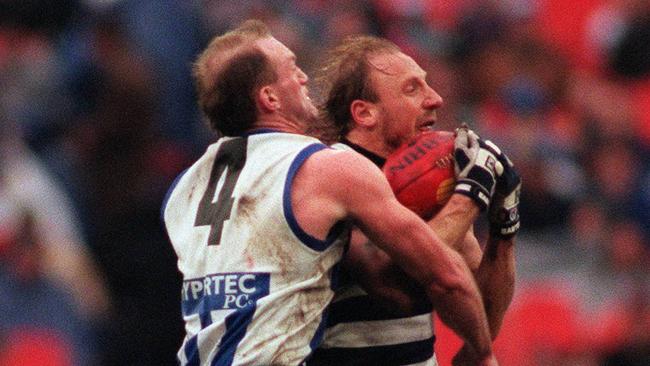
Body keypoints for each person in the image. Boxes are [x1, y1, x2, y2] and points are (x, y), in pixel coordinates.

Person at [162, 20, 501, 365]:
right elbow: (435, 279)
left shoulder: (182, 190)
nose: (304, 77)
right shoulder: (324, 168)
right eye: (292, 69)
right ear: (269, 97)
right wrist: (484, 354)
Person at [308, 36, 521, 365]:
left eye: (428, 84)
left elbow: (480, 314)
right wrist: (469, 197)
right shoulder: (334, 178)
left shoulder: (433, 181)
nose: (435, 99)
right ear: (365, 113)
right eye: (412, 89)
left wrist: (503, 227)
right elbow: (395, 287)